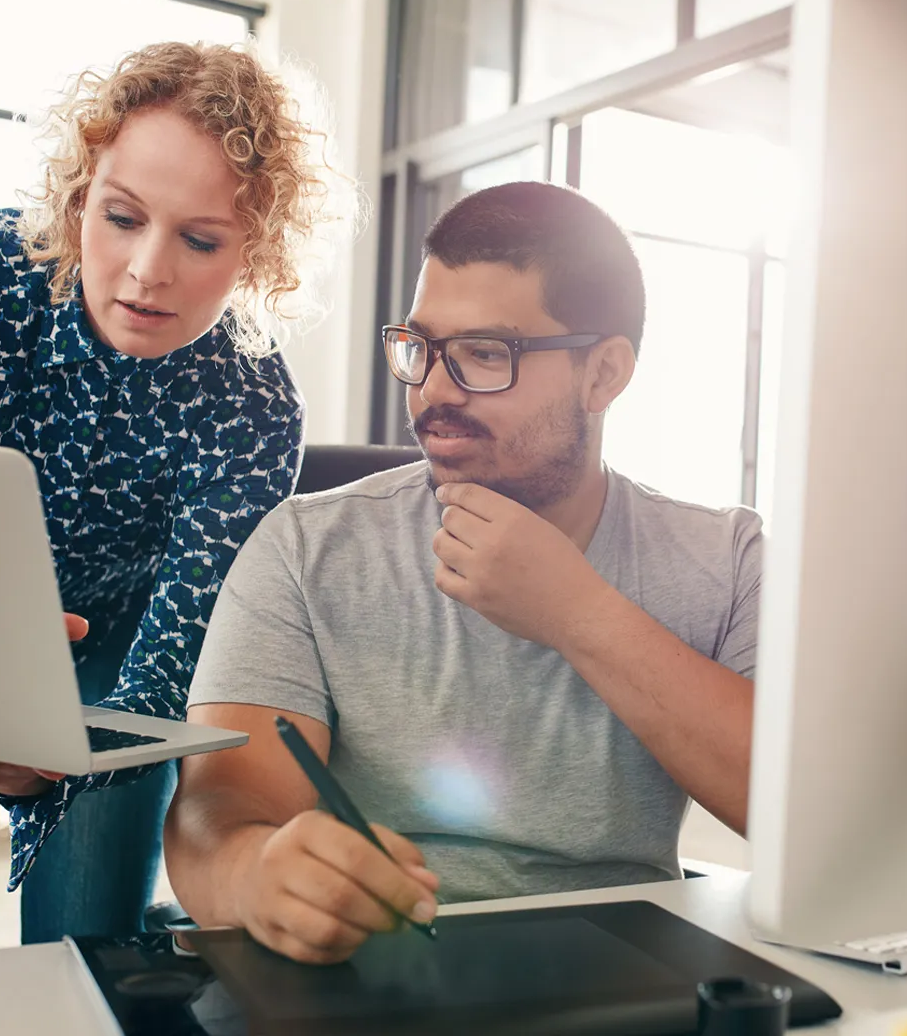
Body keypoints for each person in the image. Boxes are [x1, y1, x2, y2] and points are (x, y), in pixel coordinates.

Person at [0, 40, 345, 958]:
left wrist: (65, 758)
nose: (147, 270)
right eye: (123, 216)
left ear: (258, 252)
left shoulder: (255, 406)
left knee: (91, 952)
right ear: (79, 193)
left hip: (119, 657)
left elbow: (182, 643)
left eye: (201, 239)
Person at [162, 181, 760, 964]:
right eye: (422, 347)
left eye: (486, 353)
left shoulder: (723, 557)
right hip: (368, 971)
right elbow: (219, 804)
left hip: (621, 970)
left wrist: (575, 613)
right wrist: (256, 878)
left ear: (605, 374)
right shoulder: (306, 545)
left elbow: (802, 814)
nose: (434, 391)